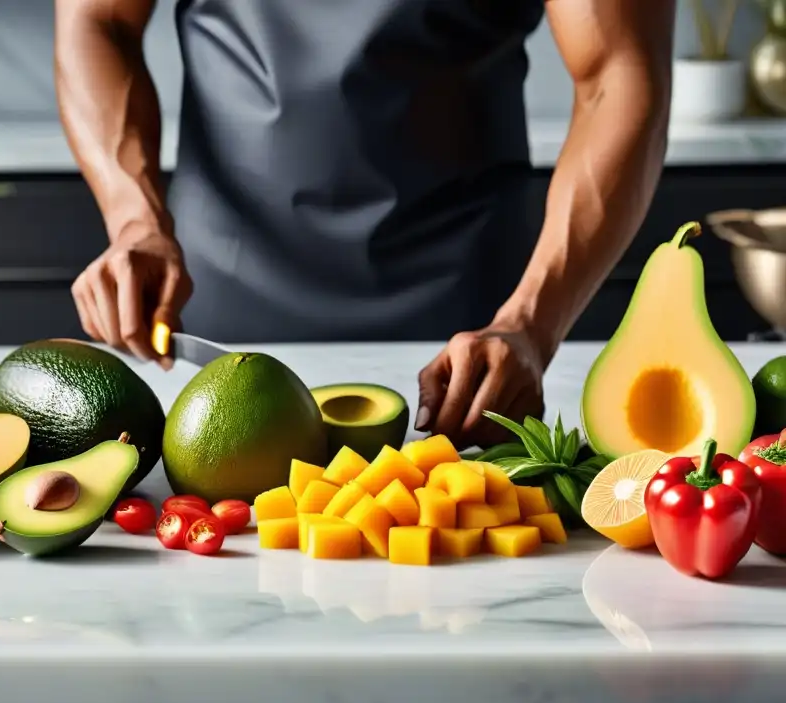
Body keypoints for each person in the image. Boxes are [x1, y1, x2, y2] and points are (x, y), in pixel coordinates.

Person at [54, 0, 673, 449]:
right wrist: (135, 219)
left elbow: (617, 74)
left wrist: (531, 323)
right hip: (214, 321)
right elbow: (97, 19)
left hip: (474, 339)